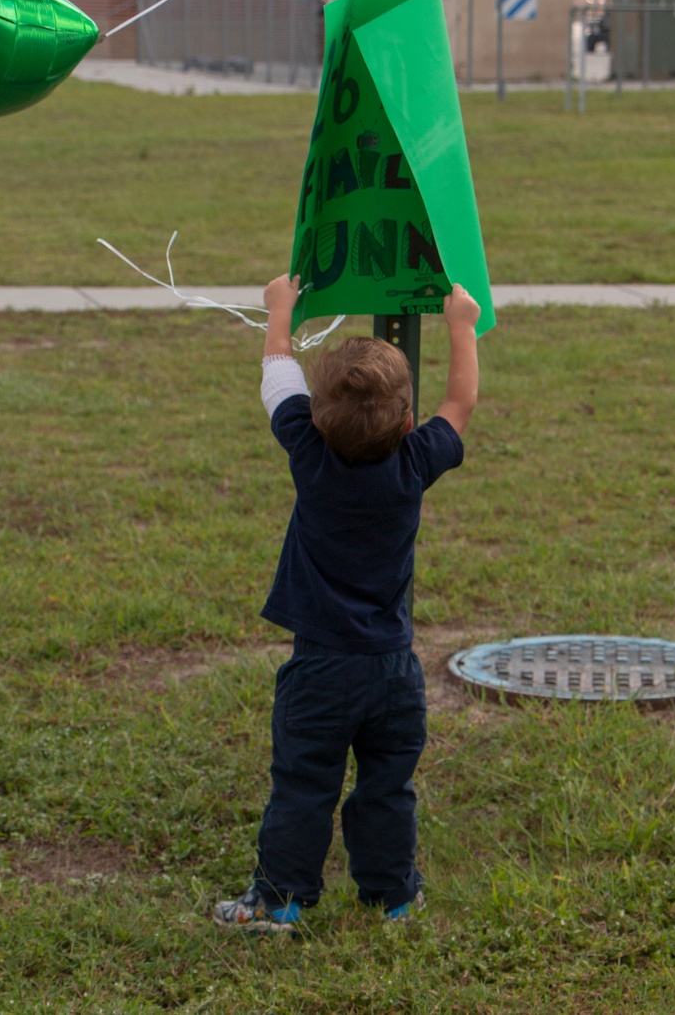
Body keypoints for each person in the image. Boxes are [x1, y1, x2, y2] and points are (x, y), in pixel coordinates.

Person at [214, 273, 481, 934]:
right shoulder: (417, 461)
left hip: (320, 673)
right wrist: (461, 326)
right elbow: (462, 402)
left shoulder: (308, 452)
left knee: (304, 786)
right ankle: (393, 899)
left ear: (316, 418)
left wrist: (279, 311)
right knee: (388, 790)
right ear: (409, 421)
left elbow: (278, 375)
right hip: (395, 673)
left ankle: (280, 902)